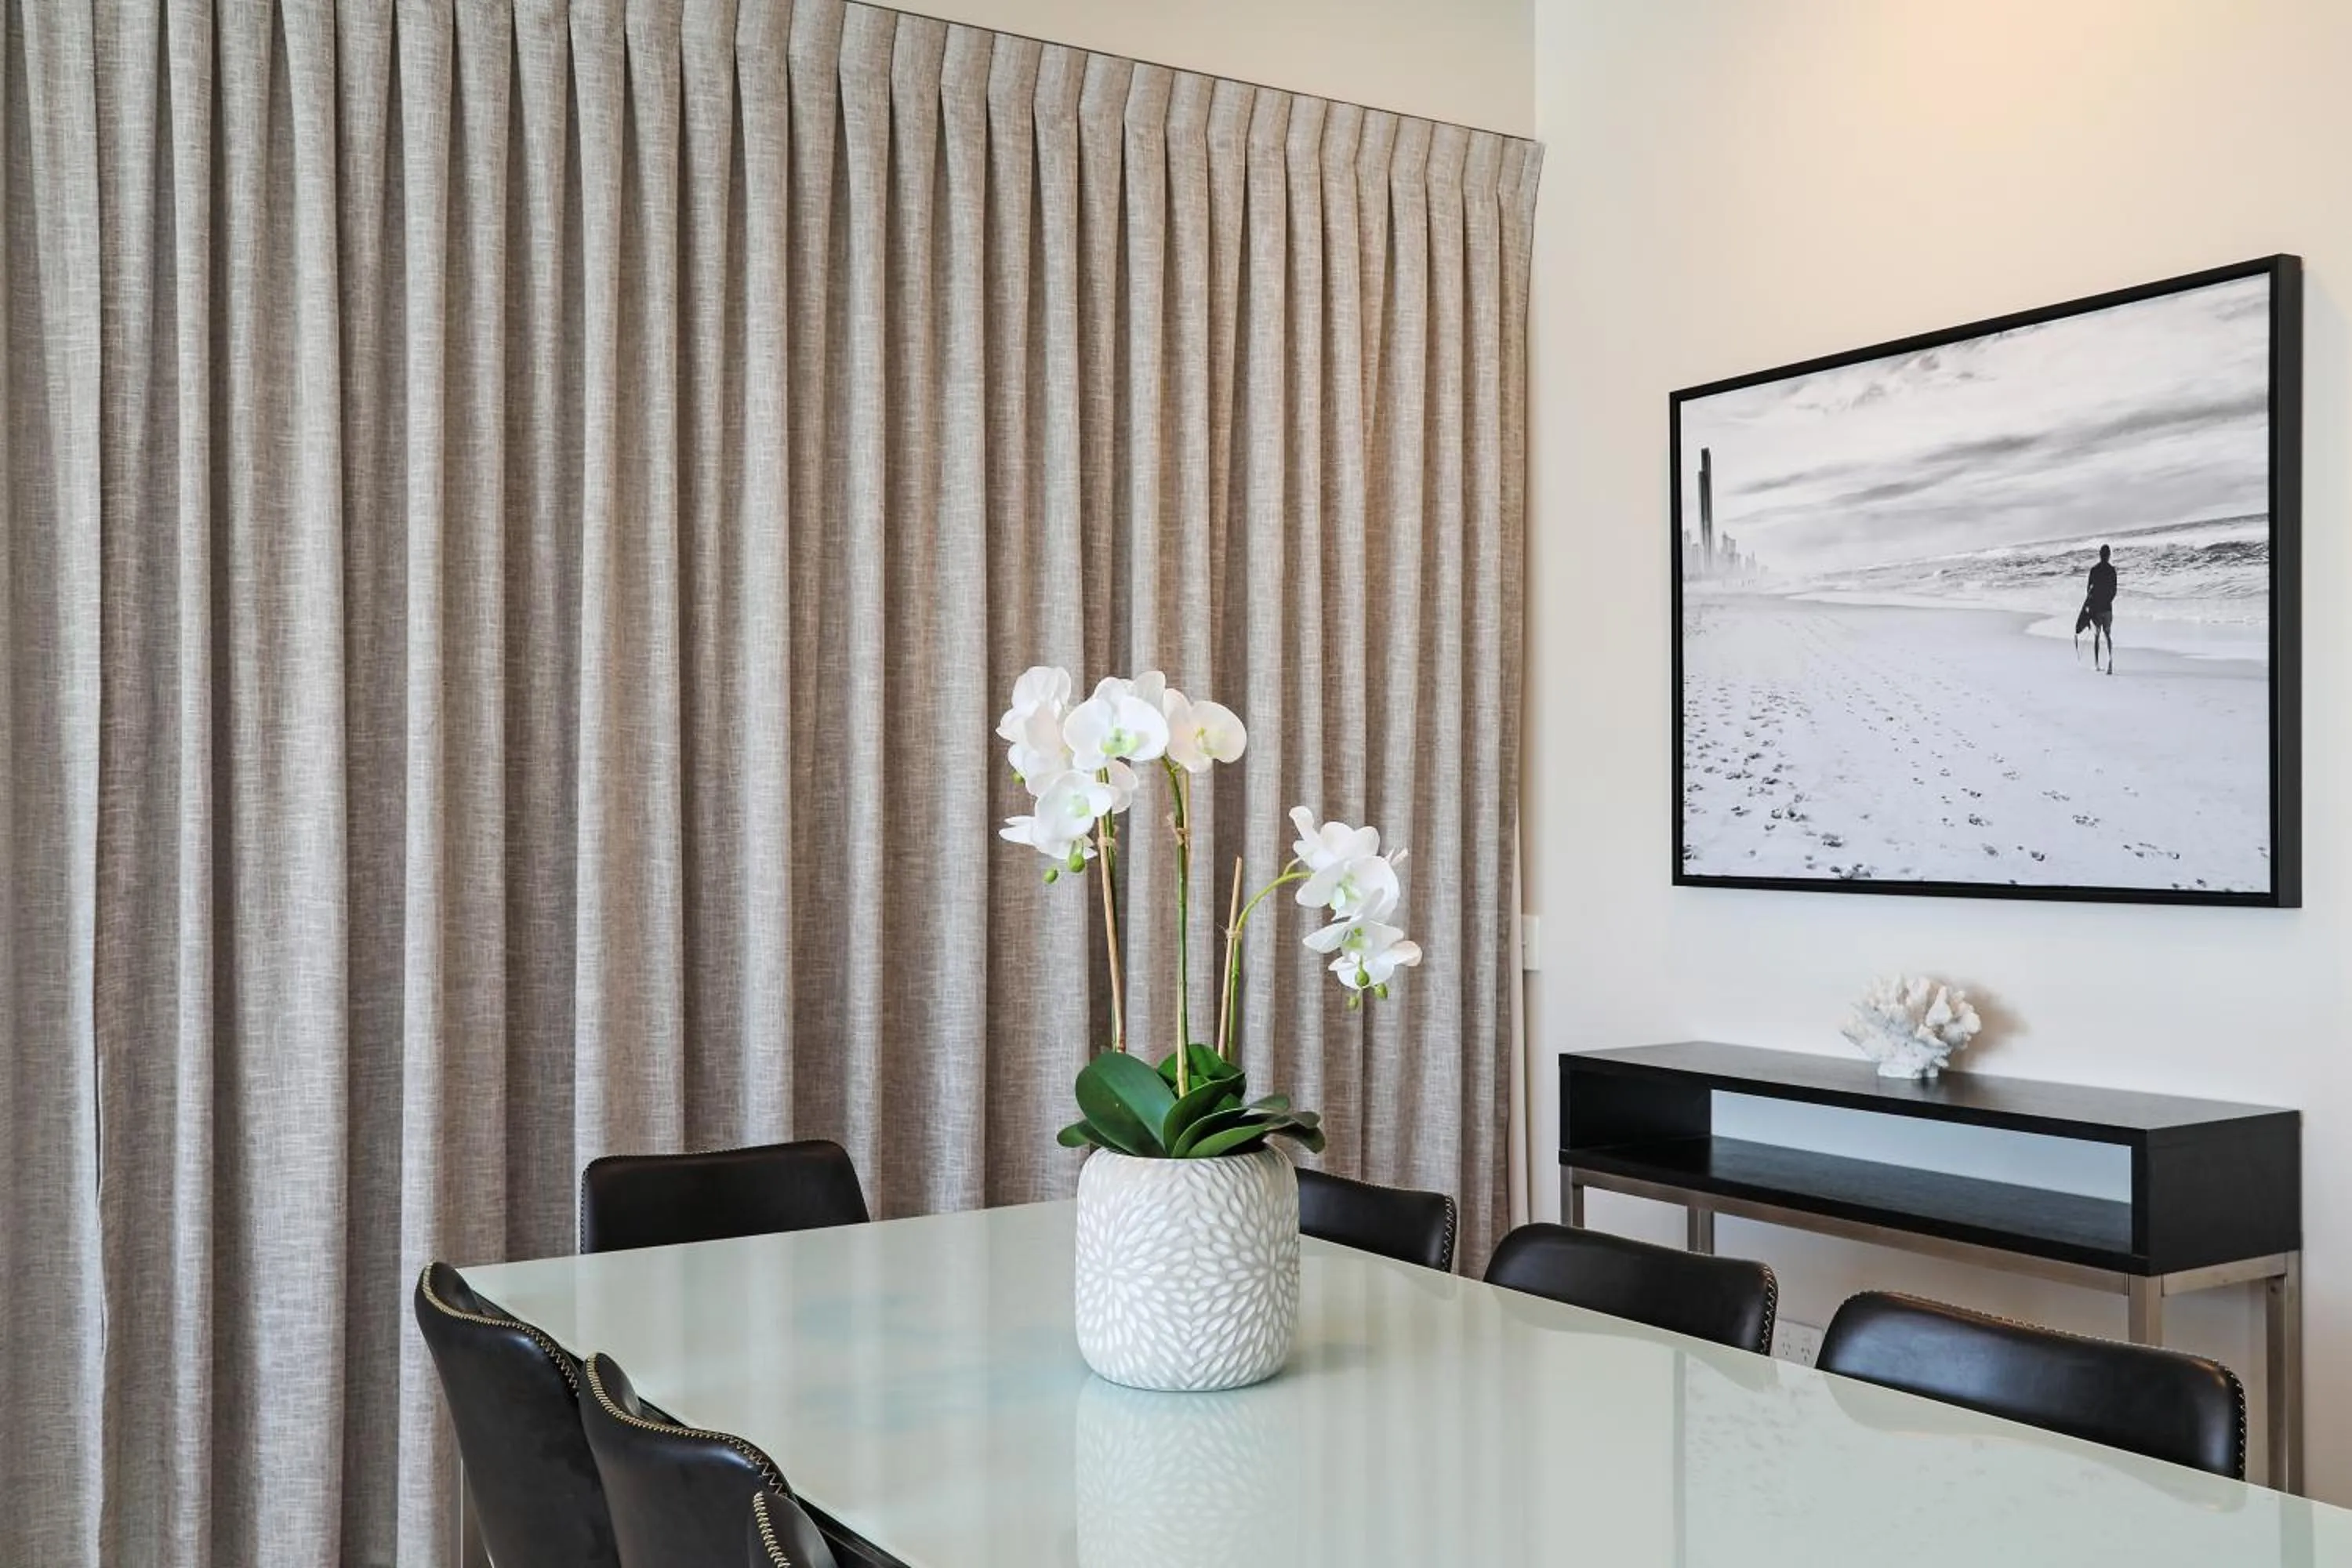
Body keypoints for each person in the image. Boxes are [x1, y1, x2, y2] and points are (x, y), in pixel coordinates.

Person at [2081, 544, 2118, 675]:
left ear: (2100, 554)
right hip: (2107, 607)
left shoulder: (2094, 570)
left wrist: (2091, 605)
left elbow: (2088, 590)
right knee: (2107, 635)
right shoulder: (2112, 570)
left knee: (2096, 635)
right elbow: (2114, 591)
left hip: (2096, 608)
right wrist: (2107, 600)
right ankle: (2110, 663)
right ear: (2109, 555)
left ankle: (2096, 664)